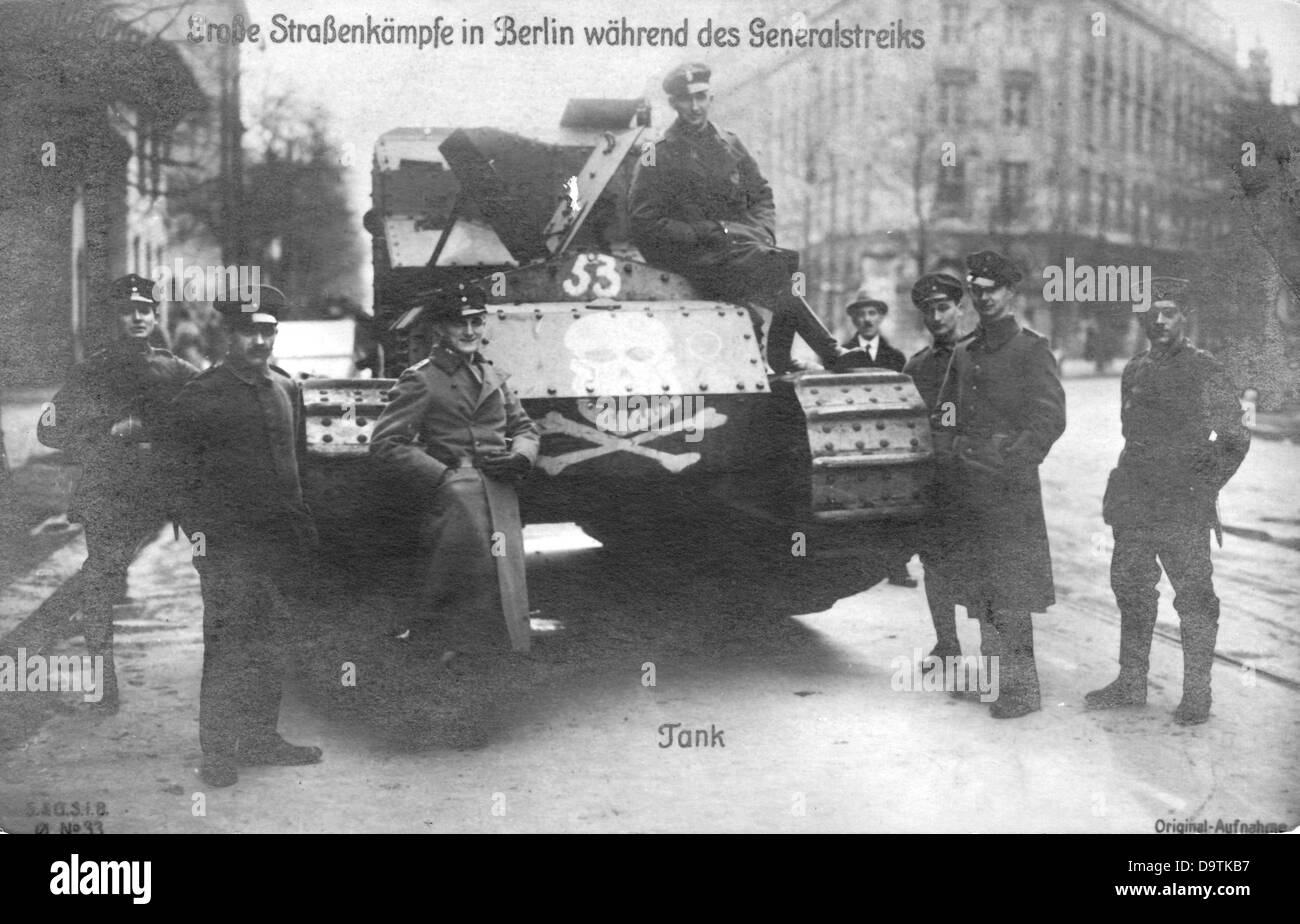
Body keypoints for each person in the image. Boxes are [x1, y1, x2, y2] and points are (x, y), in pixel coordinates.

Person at [165, 285, 323, 787]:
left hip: (281, 542)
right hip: (230, 545)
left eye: (267, 331)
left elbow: (298, 464)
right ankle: (217, 751)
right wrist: (202, 540)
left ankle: (261, 738)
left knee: (273, 639)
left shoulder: (286, 388)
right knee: (228, 644)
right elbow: (177, 475)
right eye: (249, 331)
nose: (260, 341)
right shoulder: (202, 396)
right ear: (228, 335)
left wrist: (303, 529)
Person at [21, 274, 199, 712]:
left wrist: (155, 431)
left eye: (144, 310)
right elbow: (49, 428)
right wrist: (105, 433)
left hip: (164, 489)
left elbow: (208, 417)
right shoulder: (91, 370)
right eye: (127, 310)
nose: (137, 317)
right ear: (114, 317)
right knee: (101, 579)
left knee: (219, 566)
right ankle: (104, 684)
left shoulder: (174, 369)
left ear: (155, 317)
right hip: (112, 489)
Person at [628, 62, 863, 374]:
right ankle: (818, 351)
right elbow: (644, 220)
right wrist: (699, 233)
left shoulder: (730, 143)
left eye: (701, 97)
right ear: (674, 103)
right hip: (688, 255)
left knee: (783, 266)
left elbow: (761, 193)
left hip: (734, 250)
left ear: (710, 97)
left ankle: (795, 354)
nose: (695, 107)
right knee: (781, 269)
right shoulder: (655, 151)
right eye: (686, 100)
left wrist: (763, 231)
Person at [1086, 277, 1250, 725]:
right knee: (1132, 589)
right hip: (1136, 499)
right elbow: (1131, 433)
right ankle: (1131, 681)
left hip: (1181, 501)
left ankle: (1198, 692)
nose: (1158, 320)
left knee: (1194, 598)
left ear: (1184, 316)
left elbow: (1234, 436)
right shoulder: (1135, 367)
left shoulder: (1204, 368)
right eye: (1150, 313)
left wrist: (1204, 484)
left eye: (1168, 312)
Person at [369, 283, 540, 662]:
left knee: (504, 589)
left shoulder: (493, 375)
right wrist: (443, 477)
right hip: (457, 500)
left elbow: (526, 428)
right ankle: (451, 668)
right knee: (464, 588)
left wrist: (520, 457)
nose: (470, 332)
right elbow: (386, 443)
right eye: (459, 323)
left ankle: (498, 663)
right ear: (440, 329)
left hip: (500, 491)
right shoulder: (421, 378)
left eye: (477, 322)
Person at [932, 251, 1066, 718]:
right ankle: (995, 680)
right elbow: (945, 411)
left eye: (992, 289)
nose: (983, 297)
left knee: (1012, 592)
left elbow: (1049, 418)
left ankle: (1023, 690)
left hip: (1009, 493)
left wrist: (1010, 460)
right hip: (969, 489)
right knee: (981, 588)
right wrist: (949, 449)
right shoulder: (966, 351)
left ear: (1011, 293)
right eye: (977, 289)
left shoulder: (1031, 348)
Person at [904, 273, 968, 666]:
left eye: (943, 307)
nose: (937, 316)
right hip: (937, 480)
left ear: (960, 309)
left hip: (974, 474)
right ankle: (947, 643)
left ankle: (997, 650)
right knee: (935, 561)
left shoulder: (979, 355)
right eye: (929, 310)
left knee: (983, 561)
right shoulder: (917, 366)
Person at [842, 297, 906, 372]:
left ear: (881, 318)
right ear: (854, 320)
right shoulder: (843, 355)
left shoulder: (896, 357)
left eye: (872, 313)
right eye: (861, 314)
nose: (867, 319)